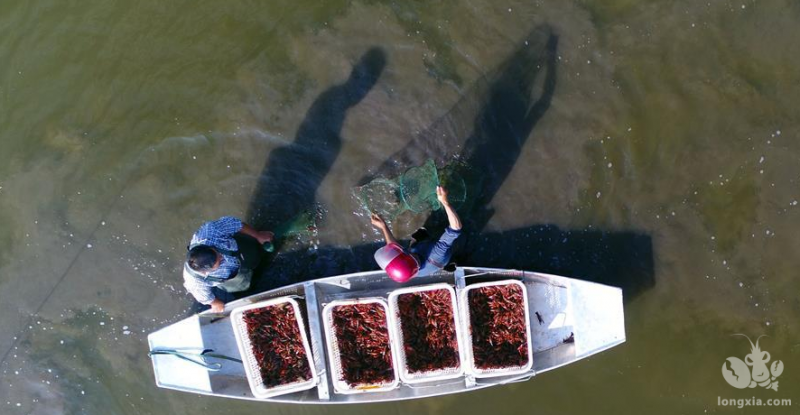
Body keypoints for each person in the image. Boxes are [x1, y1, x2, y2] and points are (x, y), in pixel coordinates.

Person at [370, 186, 462, 282]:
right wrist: (444, 201)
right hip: (439, 258)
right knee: (453, 241)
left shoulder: (409, 269)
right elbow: (455, 229)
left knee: (420, 234)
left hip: (420, 249)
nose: (401, 250)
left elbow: (393, 246)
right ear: (409, 256)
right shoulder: (436, 254)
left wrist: (383, 226)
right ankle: (451, 262)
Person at [183, 216, 274, 312]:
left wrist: (257, 235)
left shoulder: (210, 232)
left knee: (256, 252)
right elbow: (205, 297)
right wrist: (216, 303)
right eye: (219, 261)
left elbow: (235, 225)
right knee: (248, 285)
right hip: (231, 277)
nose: (221, 256)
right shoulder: (195, 282)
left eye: (217, 252)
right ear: (206, 272)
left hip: (238, 249)